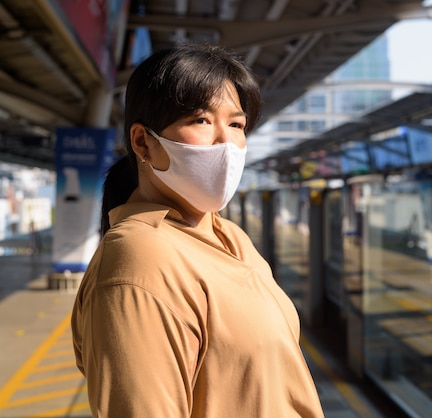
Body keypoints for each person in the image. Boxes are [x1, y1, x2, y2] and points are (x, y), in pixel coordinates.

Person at [71, 43, 324, 418]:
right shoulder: (140, 260)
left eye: (236, 124)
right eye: (202, 121)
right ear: (143, 141)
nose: (226, 143)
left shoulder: (230, 236)